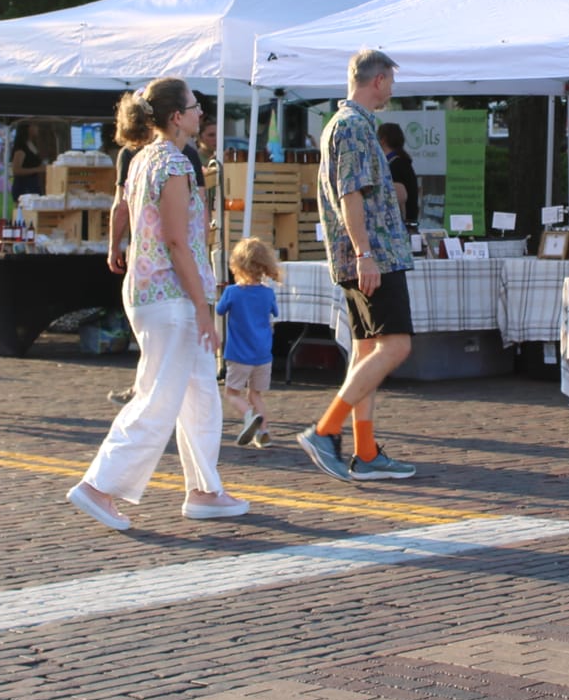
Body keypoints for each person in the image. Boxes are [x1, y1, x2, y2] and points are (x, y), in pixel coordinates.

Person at [69, 78, 248, 528]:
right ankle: (99, 484)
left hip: (157, 291)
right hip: (169, 295)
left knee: (200, 391)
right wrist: (204, 309)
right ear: (176, 116)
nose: (200, 112)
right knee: (159, 396)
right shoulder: (172, 165)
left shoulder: (145, 158)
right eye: (194, 106)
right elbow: (175, 241)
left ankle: (205, 489)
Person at [298, 48, 419, 481]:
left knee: (368, 349)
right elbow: (350, 194)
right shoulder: (351, 127)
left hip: (367, 254)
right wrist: (365, 252)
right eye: (391, 81)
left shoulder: (345, 124)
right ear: (380, 80)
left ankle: (365, 453)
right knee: (396, 345)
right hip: (373, 255)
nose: (392, 89)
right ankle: (325, 429)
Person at [217, 237, 282, 447]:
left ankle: (248, 417)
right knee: (256, 395)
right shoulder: (268, 293)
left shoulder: (232, 292)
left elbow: (219, 310)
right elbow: (275, 312)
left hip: (238, 355)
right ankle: (263, 432)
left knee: (232, 393)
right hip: (263, 355)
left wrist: (222, 291)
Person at [378, 121, 420, 227]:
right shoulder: (401, 162)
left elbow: (397, 196)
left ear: (383, 140)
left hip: (400, 224)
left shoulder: (395, 164)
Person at [9, 124, 45, 201]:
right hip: (24, 187)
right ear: (28, 128)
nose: (37, 128)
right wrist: (37, 169)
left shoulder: (32, 144)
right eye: (34, 125)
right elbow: (16, 170)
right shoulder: (21, 147)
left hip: (33, 185)